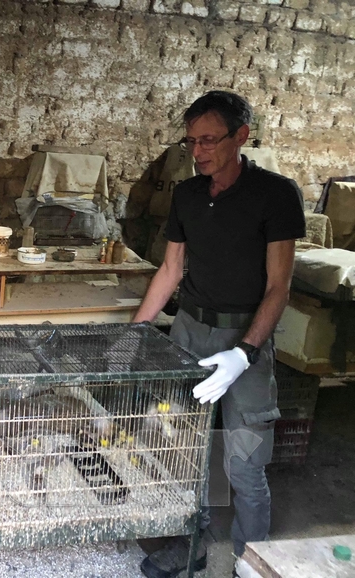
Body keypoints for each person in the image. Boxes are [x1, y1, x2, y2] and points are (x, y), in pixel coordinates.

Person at [133, 91, 306, 577]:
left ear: (241, 136)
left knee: (245, 464)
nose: (198, 151)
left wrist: (244, 354)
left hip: (244, 337)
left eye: (209, 140)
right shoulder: (187, 195)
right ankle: (192, 546)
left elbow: (278, 287)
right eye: (191, 142)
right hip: (189, 333)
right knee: (188, 453)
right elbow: (170, 270)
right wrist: (136, 334)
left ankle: (253, 565)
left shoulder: (274, 194)